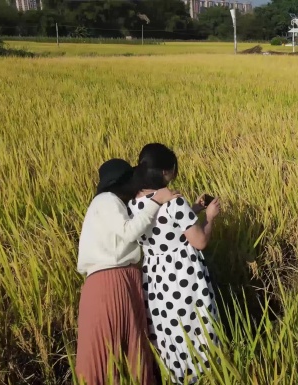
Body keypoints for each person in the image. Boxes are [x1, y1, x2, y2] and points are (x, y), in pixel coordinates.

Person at [75, 158, 179, 385]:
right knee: (108, 349)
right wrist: (157, 200)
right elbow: (129, 232)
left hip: (120, 279)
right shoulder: (106, 200)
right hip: (111, 281)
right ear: (120, 182)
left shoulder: (115, 204)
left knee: (131, 346)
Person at [128, 143, 221, 385]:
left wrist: (197, 209)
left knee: (171, 329)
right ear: (164, 173)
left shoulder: (134, 203)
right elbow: (199, 241)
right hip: (182, 274)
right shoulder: (174, 202)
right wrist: (209, 218)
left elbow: (165, 227)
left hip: (156, 277)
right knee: (195, 325)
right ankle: (207, 377)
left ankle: (177, 377)